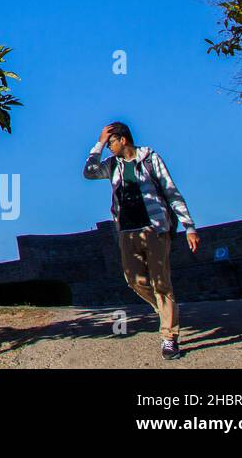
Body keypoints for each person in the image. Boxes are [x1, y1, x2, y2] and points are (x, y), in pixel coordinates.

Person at [83, 121, 199, 360]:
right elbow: (89, 172)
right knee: (133, 279)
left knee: (162, 283)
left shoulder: (149, 158)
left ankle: (169, 338)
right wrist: (100, 142)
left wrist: (189, 227)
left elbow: (171, 191)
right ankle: (165, 310)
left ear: (123, 140)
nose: (109, 148)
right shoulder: (112, 165)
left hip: (154, 228)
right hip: (126, 231)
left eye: (111, 142)